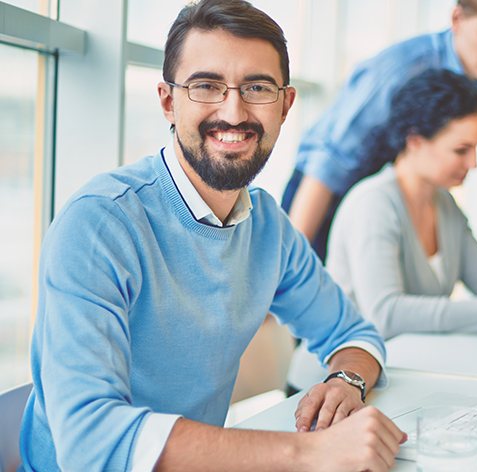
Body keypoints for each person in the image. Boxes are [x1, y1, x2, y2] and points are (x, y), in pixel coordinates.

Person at [19, 1, 406, 471]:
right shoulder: (101, 223)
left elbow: (354, 334)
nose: (234, 111)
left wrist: (346, 381)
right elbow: (90, 440)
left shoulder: (267, 225)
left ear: (285, 106)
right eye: (206, 85)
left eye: (257, 88)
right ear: (168, 100)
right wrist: (307, 453)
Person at [286, 69, 477, 392]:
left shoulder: (444, 205)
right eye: (461, 149)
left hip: (394, 377)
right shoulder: (374, 203)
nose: (473, 163)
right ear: (415, 141)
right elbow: (386, 314)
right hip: (327, 387)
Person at [282, 0, 477, 261]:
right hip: (325, 192)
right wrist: (290, 262)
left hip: (403, 197)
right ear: (457, 19)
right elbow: (330, 163)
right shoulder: (401, 67)